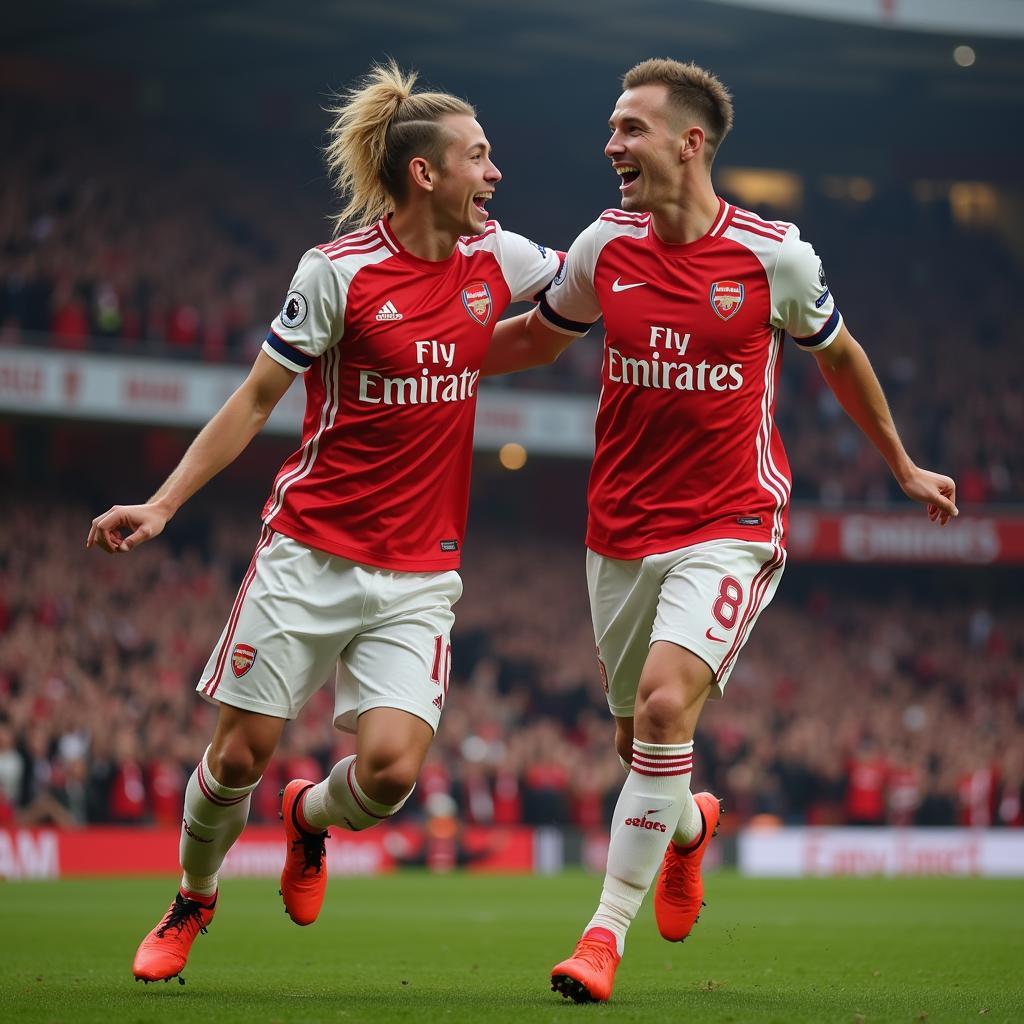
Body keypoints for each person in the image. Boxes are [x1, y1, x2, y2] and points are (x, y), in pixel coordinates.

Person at [483, 57, 958, 1003]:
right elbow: (540, 335)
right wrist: (433, 370)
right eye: (613, 129)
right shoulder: (603, 244)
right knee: (641, 751)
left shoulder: (773, 254)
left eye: (630, 129)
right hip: (618, 529)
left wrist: (901, 464)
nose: (611, 146)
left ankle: (600, 939)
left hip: (731, 521)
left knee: (663, 711)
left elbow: (841, 357)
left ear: (689, 142)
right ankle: (690, 826)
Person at [87, 61, 561, 985]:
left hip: (421, 571)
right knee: (236, 754)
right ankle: (193, 896)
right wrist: (163, 502)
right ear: (427, 173)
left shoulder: (497, 257)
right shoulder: (337, 272)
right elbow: (258, 395)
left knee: (387, 779)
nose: (495, 173)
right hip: (309, 551)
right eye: (480, 155)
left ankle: (309, 819)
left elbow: (570, 298)